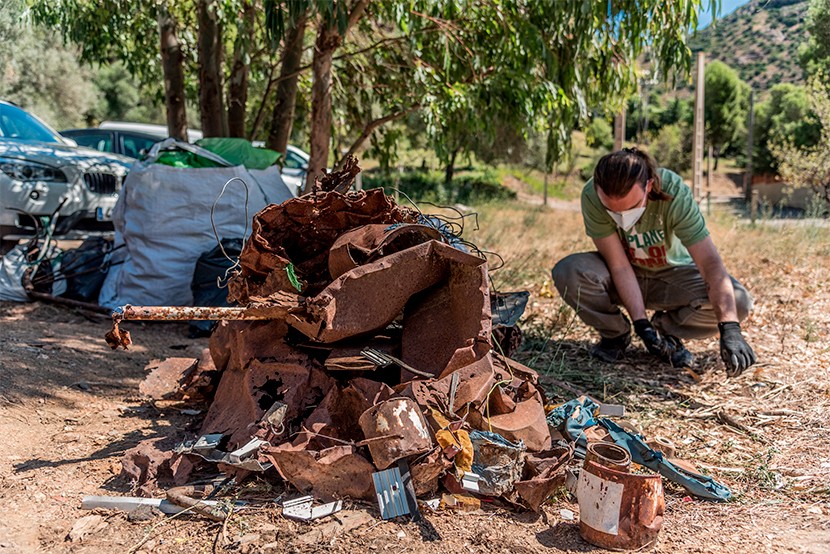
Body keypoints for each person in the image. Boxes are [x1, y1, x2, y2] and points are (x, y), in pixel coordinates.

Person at [551, 147, 756, 376]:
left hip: (673, 274)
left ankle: (665, 328)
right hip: (626, 274)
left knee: (738, 303)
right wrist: (640, 324)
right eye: (611, 210)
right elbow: (618, 265)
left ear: (648, 186)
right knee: (569, 271)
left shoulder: (673, 190)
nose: (621, 217)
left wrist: (729, 327)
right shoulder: (591, 195)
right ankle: (616, 333)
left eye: (630, 207)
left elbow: (710, 263)